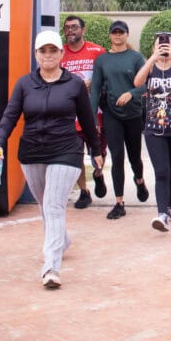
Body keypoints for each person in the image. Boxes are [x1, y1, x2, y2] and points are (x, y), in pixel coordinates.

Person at [0, 30, 104, 289]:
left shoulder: (74, 84)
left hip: (66, 150)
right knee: (45, 204)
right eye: (43, 51)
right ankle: (61, 240)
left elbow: (87, 121)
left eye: (53, 50)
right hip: (31, 152)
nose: (48, 55)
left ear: (62, 54)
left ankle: (51, 267)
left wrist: (95, 150)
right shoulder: (24, 84)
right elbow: (10, 116)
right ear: (36, 54)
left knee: (54, 206)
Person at [90, 20, 149, 219]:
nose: (117, 35)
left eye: (121, 32)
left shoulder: (135, 57)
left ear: (126, 34)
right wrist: (93, 119)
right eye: (114, 32)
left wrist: (131, 93)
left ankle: (139, 180)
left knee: (134, 158)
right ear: (110, 35)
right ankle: (119, 202)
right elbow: (95, 89)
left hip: (133, 113)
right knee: (117, 158)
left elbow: (145, 84)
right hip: (111, 114)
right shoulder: (102, 60)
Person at [135, 33, 171, 231]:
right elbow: (137, 82)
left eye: (167, 45)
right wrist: (153, 59)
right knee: (162, 171)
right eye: (160, 45)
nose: (164, 48)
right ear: (153, 48)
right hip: (153, 128)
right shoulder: (150, 67)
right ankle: (161, 214)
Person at [61, 14, 108, 209]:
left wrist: (94, 84)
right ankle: (83, 191)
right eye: (67, 28)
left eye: (74, 27)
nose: (70, 30)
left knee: (99, 153)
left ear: (83, 30)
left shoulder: (97, 51)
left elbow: (108, 77)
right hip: (71, 114)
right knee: (75, 154)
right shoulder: (60, 53)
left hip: (95, 113)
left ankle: (98, 174)